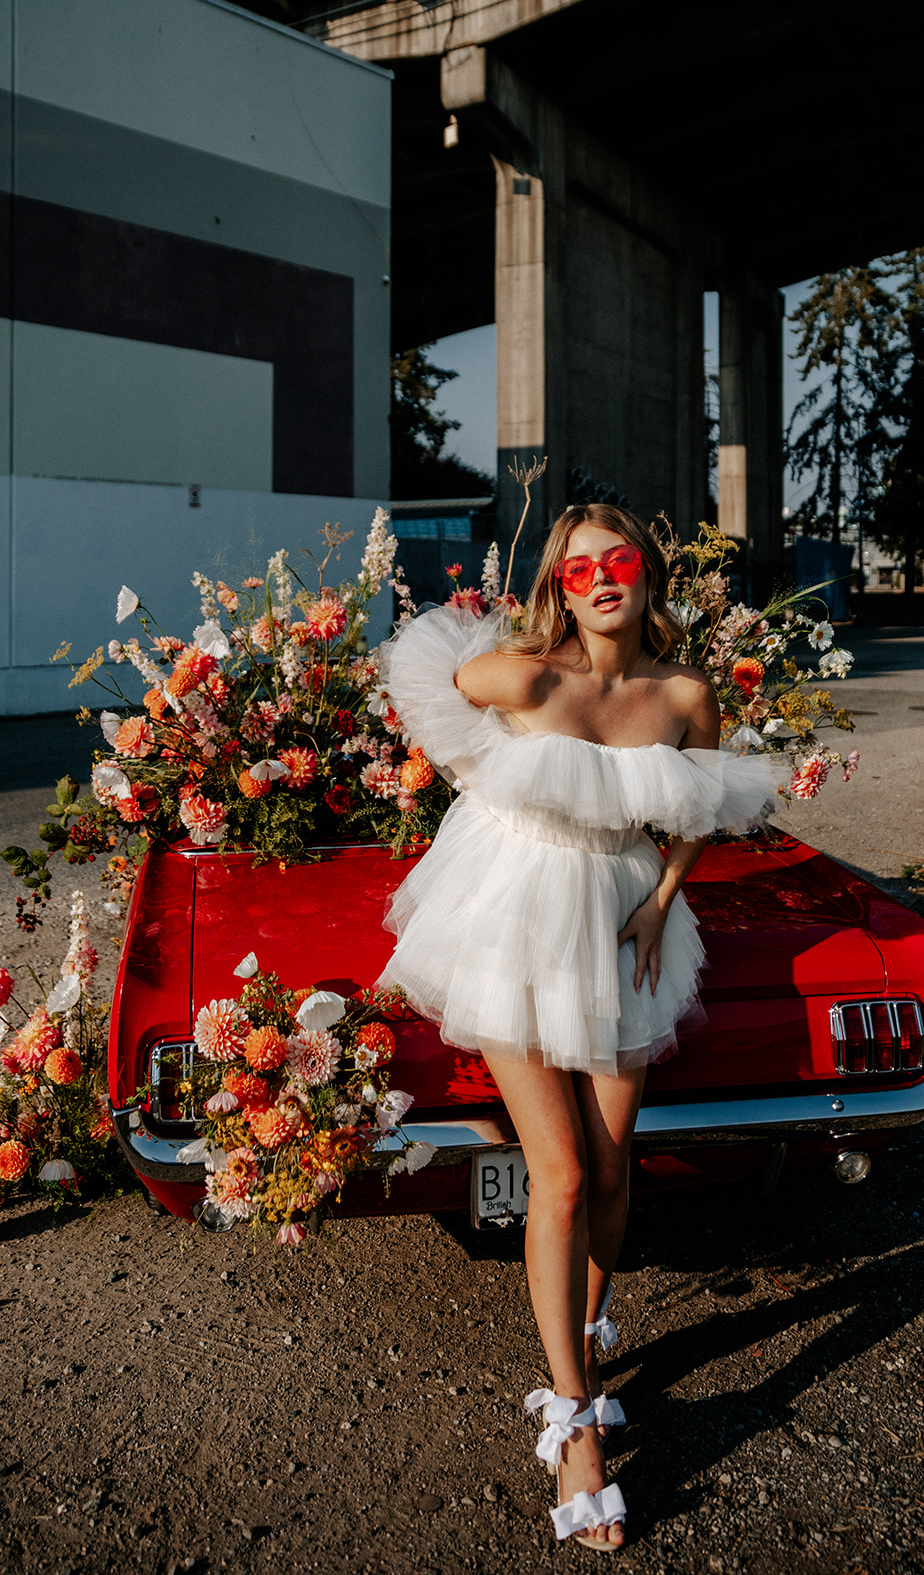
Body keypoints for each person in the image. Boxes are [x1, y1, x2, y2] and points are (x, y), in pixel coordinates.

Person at [375, 504, 779, 1552]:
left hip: (621, 923)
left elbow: (699, 809)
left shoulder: (683, 694)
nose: (604, 576)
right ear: (560, 583)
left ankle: (590, 1337)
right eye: (582, 566)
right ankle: (573, 1420)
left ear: (647, 573)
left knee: (609, 1169)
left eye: (622, 559)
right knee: (555, 1173)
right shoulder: (525, 677)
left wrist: (661, 899)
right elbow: (426, 681)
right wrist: (495, 791)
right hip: (510, 917)